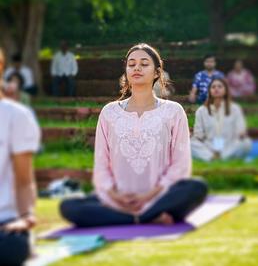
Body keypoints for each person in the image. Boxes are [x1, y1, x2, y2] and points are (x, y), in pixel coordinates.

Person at [60, 43, 208, 227]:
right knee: (69, 207)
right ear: (126, 72)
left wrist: (150, 195)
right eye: (131, 64)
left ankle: (143, 214)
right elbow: (101, 164)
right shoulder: (109, 112)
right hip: (118, 201)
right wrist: (115, 195)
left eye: (144, 63)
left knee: (197, 187)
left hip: (160, 198)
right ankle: (143, 218)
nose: (136, 67)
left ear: (156, 72)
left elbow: (180, 164)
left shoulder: (173, 111)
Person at [0, 48, 41, 266]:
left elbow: (24, 180)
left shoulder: (16, 116)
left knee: (11, 247)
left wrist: (26, 217)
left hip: (4, 225)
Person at [191, 78, 251, 161]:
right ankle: (211, 157)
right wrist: (195, 137)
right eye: (213, 87)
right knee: (190, 143)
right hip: (209, 146)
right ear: (209, 91)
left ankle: (221, 157)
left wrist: (241, 134)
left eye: (220, 86)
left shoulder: (235, 108)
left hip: (228, 145)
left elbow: (240, 130)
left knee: (246, 143)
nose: (216, 89)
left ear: (225, 90)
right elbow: (199, 134)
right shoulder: (201, 111)